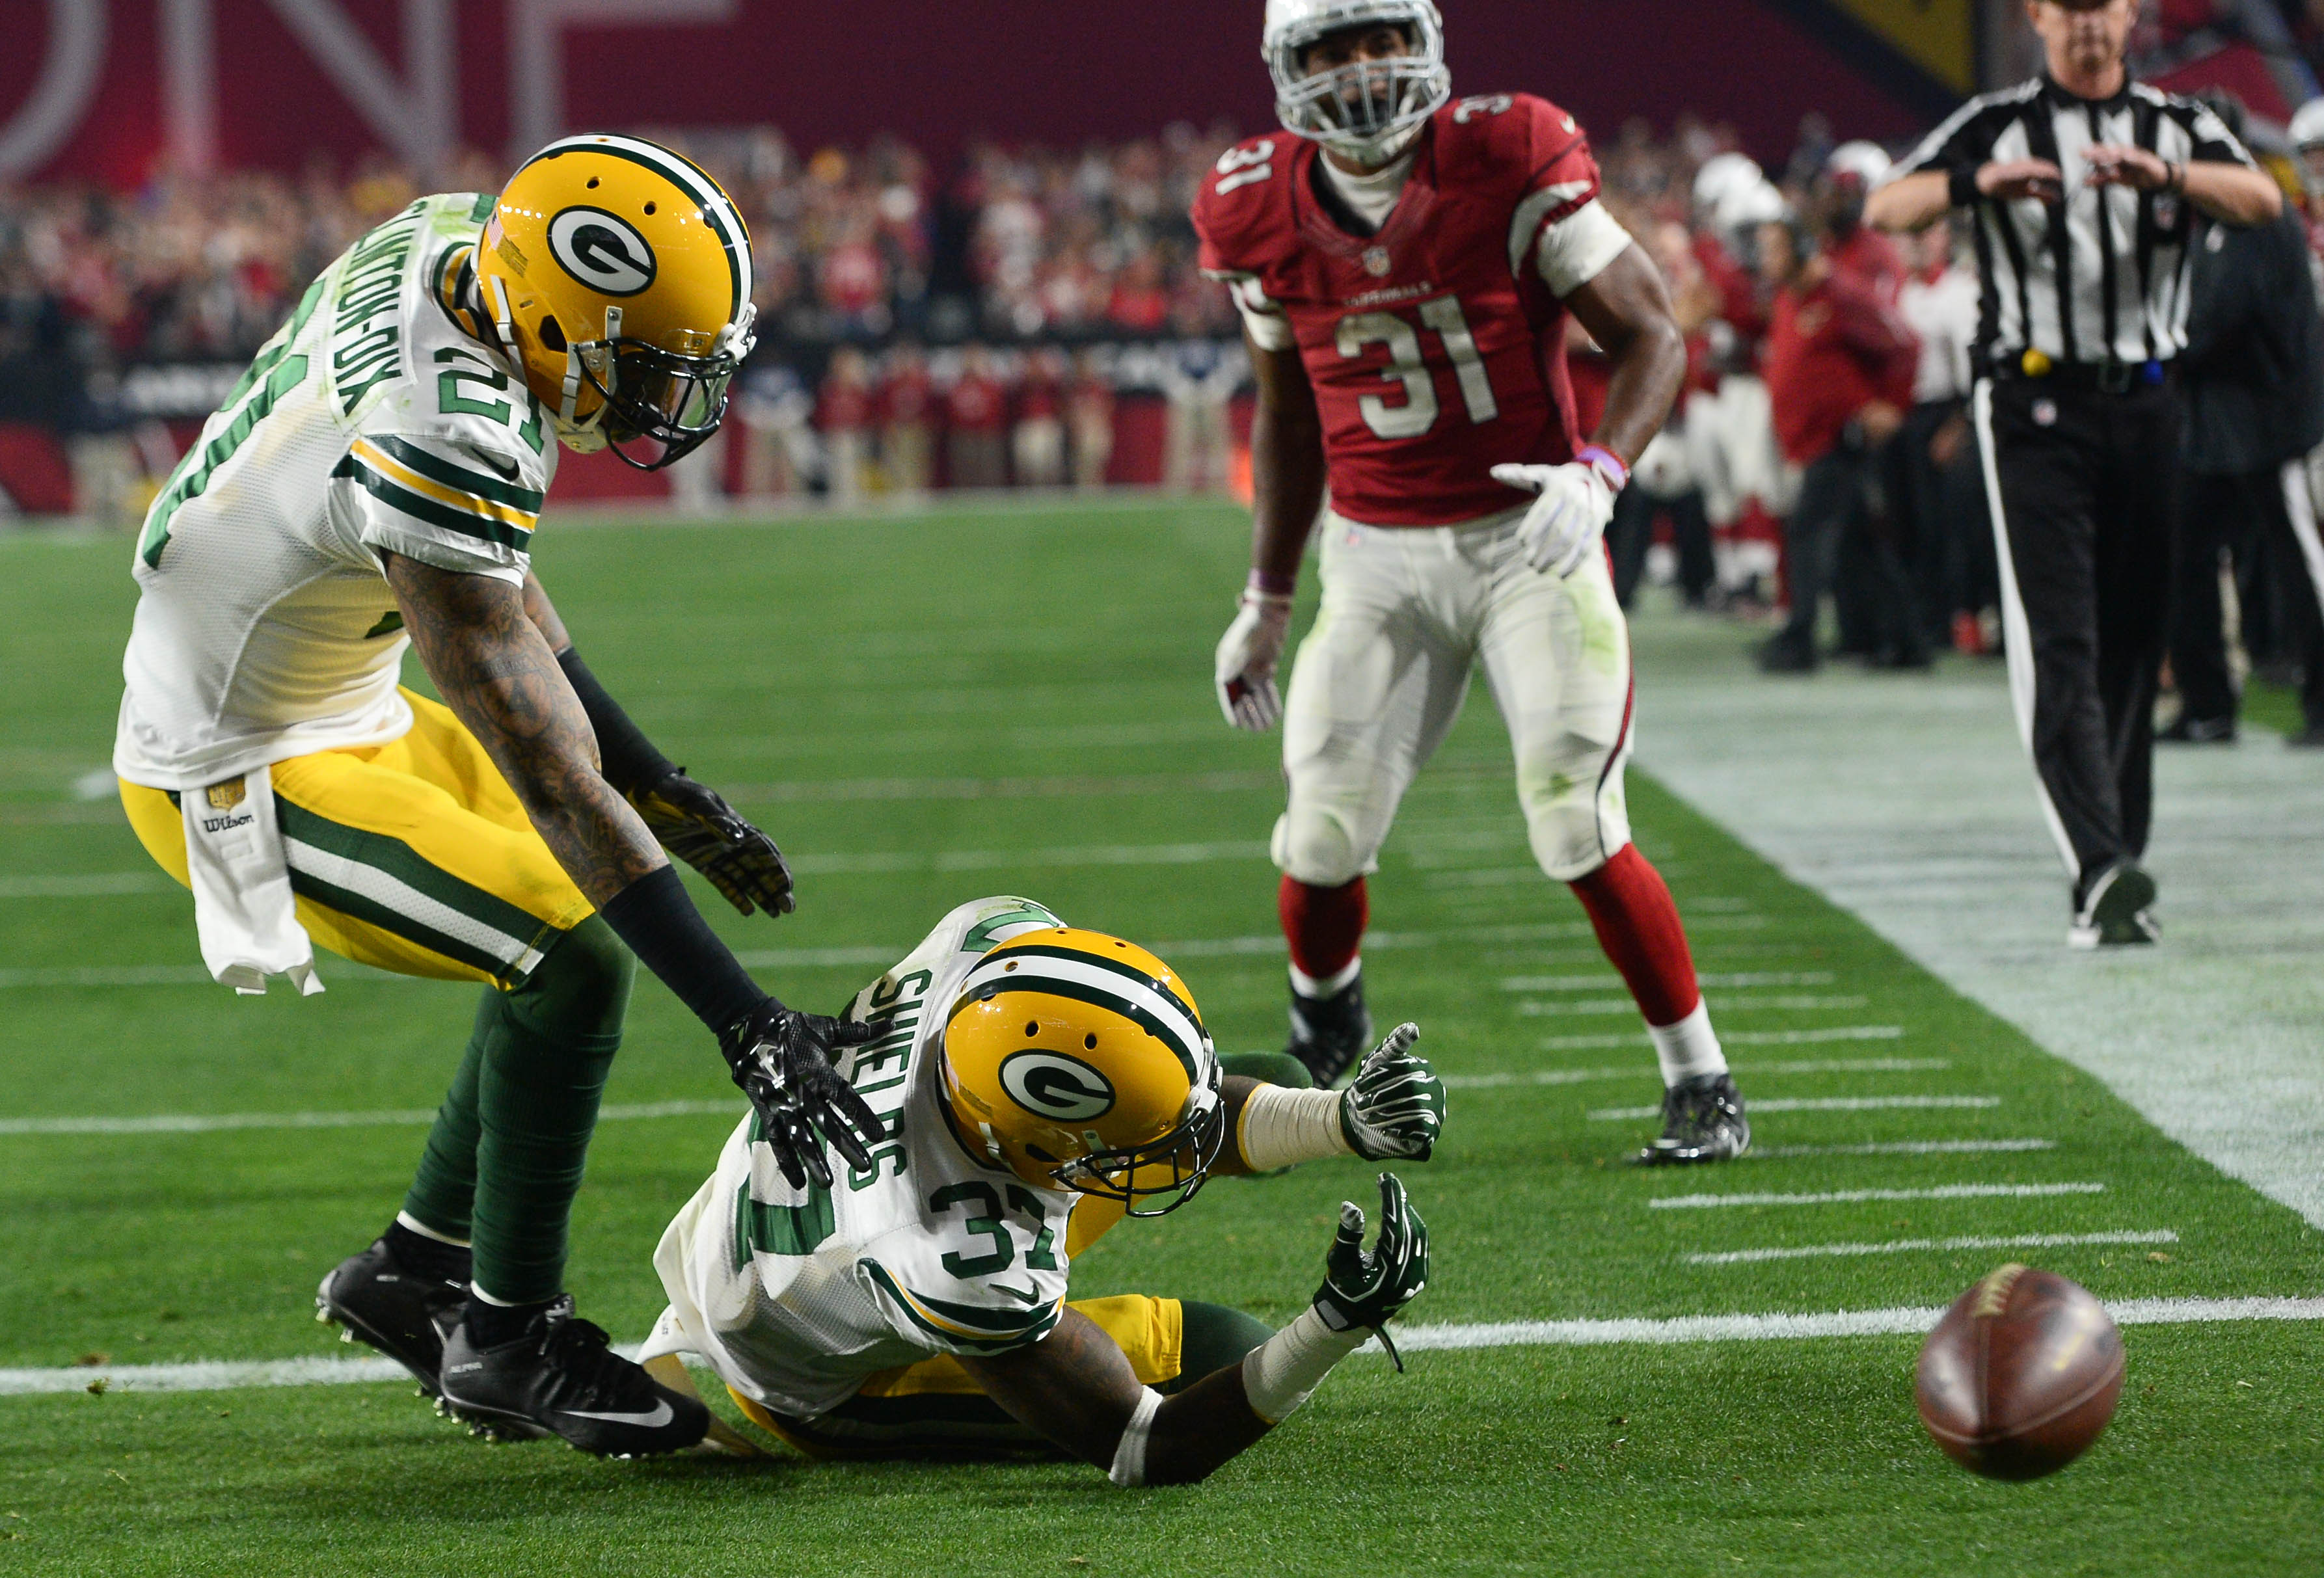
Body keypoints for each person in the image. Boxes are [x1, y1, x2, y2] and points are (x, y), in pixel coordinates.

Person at [113, 135, 887, 1458]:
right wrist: (746, 1024)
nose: (662, 396)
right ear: (554, 316)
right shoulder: (440, 426)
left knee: (552, 922)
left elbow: (500, 585)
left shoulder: (456, 242)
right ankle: (507, 1338)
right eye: (643, 362)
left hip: (337, 694)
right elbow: (542, 761)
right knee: (570, 954)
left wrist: (657, 778)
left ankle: (412, 1268)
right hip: (237, 759)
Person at [1196, 0, 1750, 1163]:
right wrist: (1267, 598)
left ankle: (1700, 1076)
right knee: (1320, 834)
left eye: (1379, 39)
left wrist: (1599, 472)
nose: (1360, 71)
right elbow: (1288, 412)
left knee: (1574, 819)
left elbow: (1652, 333)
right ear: (1285, 71)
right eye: (1330, 50)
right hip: (1374, 553)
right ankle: (1324, 1010)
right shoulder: (1252, 204)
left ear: (1424, 41)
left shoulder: (1507, 154)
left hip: (1527, 542)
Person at [637, 897, 1443, 1478]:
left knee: (1272, 1086)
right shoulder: (955, 1255)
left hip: (786, 1214)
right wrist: (1330, 1328)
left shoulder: (983, 946)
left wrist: (1344, 1118)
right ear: (1025, 1142)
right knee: (1223, 1355)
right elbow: (1145, 1443)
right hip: (810, 1372)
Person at [1866, 0, 2282, 946]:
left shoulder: (2176, 124)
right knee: (2062, 638)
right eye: (2071, 8)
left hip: (2149, 404)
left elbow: (2264, 200)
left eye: (2104, 5)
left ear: (2130, 14)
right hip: (2034, 407)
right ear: (2038, 17)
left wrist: (2169, 175)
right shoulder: (1997, 121)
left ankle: (2113, 864)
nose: (2089, 25)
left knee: (2136, 639)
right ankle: (2097, 864)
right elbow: (1887, 204)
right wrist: (1978, 184)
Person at [2165, 95, 2324, 744]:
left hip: (2271, 423)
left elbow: (2216, 320)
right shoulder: (2210, 216)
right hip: (2216, 428)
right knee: (2180, 554)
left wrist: (2153, 351)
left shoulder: (2253, 208)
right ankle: (2206, 705)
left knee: (2299, 563)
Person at [1759, 148, 1923, 675]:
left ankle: (1799, 638)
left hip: (1841, 435)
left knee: (1809, 533)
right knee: (1859, 545)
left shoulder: (1840, 288)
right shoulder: (1795, 295)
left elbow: (1903, 341)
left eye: (1774, 249)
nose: (1765, 260)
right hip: (1815, 435)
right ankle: (1905, 642)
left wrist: (1891, 406)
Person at [1894, 216, 1993, 655]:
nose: (1916, 242)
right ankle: (1926, 619)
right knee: (1913, 524)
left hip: (1946, 413)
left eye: (1926, 232)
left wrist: (1959, 425)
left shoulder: (1958, 292)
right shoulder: (1902, 289)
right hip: (1907, 415)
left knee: (1950, 525)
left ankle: (1961, 616)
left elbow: (1973, 369)